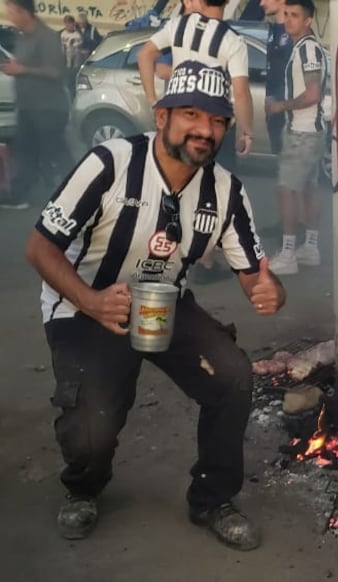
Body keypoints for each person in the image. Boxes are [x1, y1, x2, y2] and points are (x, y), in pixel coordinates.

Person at [24, 60, 286, 551]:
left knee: (232, 375)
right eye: (191, 114)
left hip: (164, 303)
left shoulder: (225, 191)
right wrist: (92, 301)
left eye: (217, 120)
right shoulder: (110, 164)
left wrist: (270, 290)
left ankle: (212, 499)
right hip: (82, 303)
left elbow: (256, 276)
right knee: (92, 427)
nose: (205, 130)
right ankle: (83, 487)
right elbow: (40, 247)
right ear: (161, 115)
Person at [137, 0, 255, 168]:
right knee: (216, 178)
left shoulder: (177, 25)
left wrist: (153, 102)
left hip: (179, 118)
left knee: (175, 173)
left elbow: (144, 55)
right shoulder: (233, 40)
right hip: (214, 123)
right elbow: (241, 93)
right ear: (228, 1)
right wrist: (246, 132)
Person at [265, 0, 328, 275]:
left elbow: (313, 94)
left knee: (286, 190)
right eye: (287, 14)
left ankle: (288, 253)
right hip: (311, 131)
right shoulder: (305, 47)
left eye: (295, 16)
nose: (289, 20)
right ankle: (310, 248)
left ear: (308, 20)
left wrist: (281, 106)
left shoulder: (307, 49)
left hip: (302, 132)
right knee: (308, 188)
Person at [0, 0, 72, 209]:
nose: (10, 16)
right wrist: (12, 68)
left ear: (24, 12)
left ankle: (83, 192)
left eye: (12, 12)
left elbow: (56, 71)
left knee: (57, 153)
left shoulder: (47, 36)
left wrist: (22, 70)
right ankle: (19, 196)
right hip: (27, 107)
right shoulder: (22, 37)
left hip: (48, 108)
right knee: (25, 152)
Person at [261, 0, 294, 156]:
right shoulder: (269, 31)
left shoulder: (295, 33)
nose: (261, 3)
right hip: (270, 110)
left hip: (285, 112)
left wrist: (277, 101)